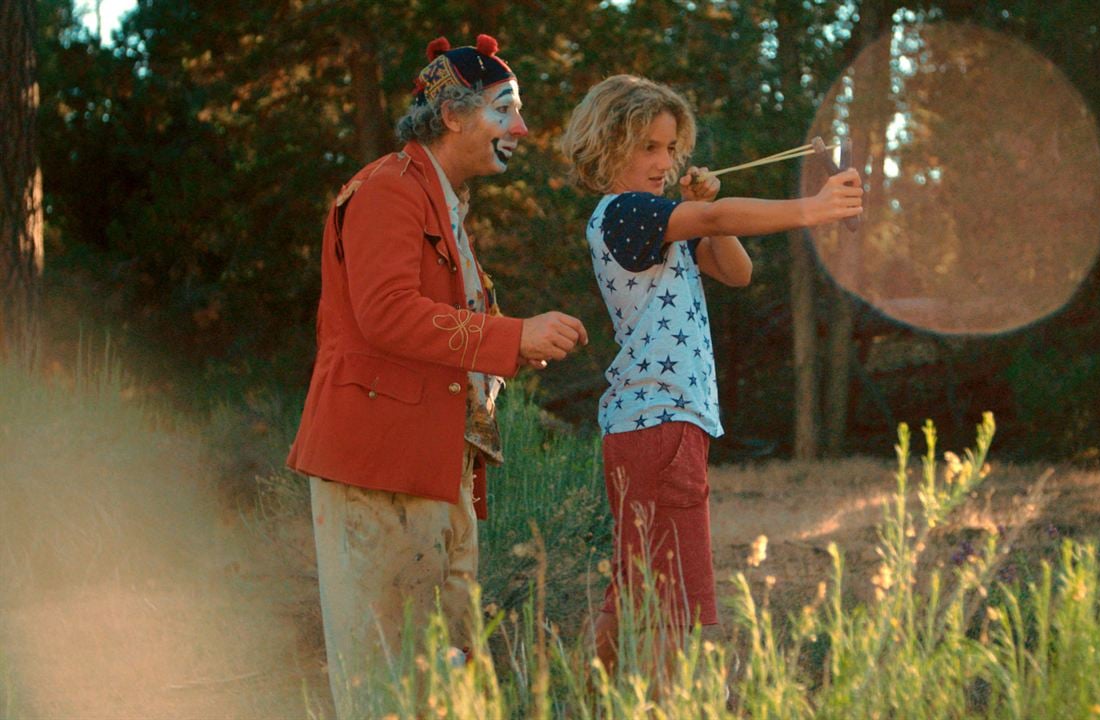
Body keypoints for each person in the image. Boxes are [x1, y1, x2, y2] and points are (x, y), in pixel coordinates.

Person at [287, 34, 588, 717]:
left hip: (434, 468)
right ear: (452, 117)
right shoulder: (389, 188)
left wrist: (514, 346)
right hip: (379, 469)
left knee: (445, 675)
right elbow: (387, 314)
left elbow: (434, 317)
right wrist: (512, 335)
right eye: (505, 109)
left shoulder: (441, 199)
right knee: (388, 680)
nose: (522, 127)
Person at [560, 74, 863, 673]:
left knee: (636, 593)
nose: (663, 161)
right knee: (667, 606)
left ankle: (579, 700)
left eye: (670, 149)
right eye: (647, 146)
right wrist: (814, 208)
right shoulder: (623, 214)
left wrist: (699, 212)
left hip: (655, 426)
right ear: (608, 145)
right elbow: (720, 214)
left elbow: (737, 270)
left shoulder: (660, 221)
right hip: (659, 423)